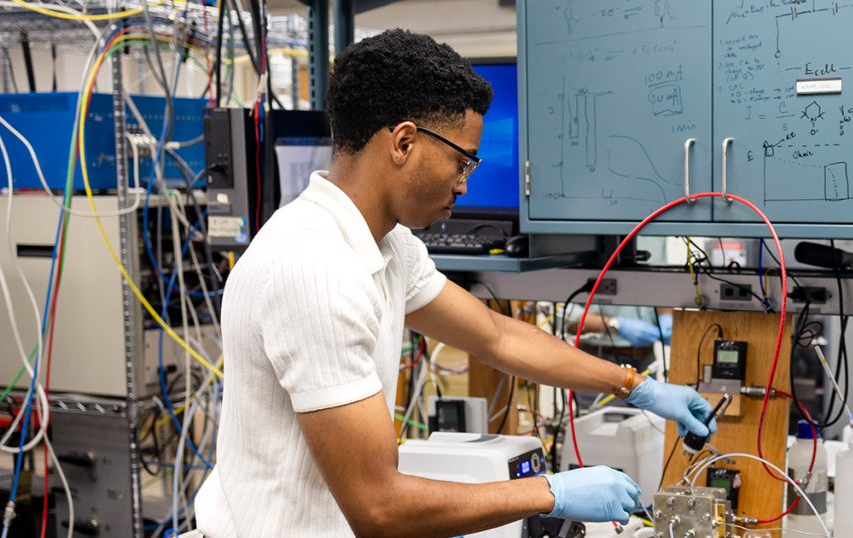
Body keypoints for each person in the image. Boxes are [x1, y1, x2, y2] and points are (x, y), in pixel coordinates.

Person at [193, 29, 715, 537]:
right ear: (403, 142)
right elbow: (379, 509)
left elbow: (496, 336)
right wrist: (550, 491)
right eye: (461, 160)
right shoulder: (314, 269)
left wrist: (637, 386)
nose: (464, 183)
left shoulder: (386, 244)